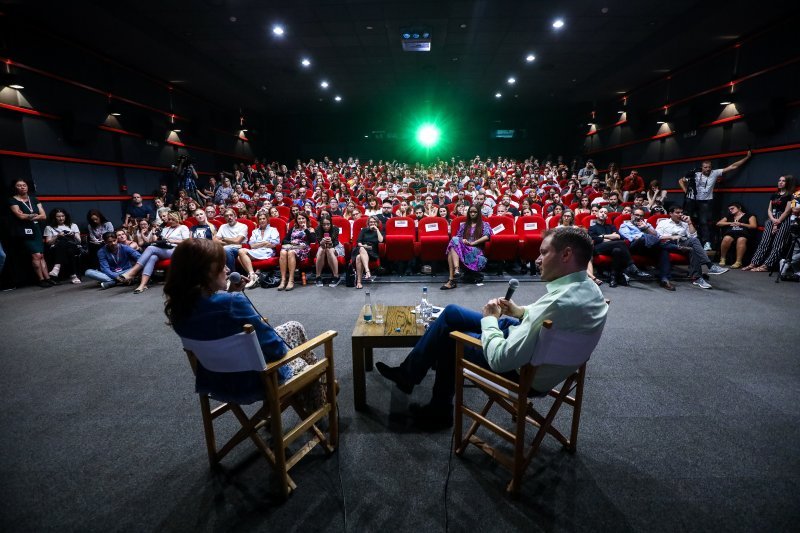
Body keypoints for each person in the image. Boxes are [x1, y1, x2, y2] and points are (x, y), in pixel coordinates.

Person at [376, 227, 608, 427]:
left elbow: (500, 359)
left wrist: (489, 319)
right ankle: (409, 373)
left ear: (566, 254)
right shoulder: (590, 290)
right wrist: (520, 312)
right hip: (538, 347)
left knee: (449, 337)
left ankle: (438, 412)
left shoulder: (558, 303)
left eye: (544, 253)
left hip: (525, 373)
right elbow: (545, 319)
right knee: (452, 313)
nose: (537, 260)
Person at [164, 238, 323, 408]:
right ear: (205, 272)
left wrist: (231, 293)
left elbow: (217, 328)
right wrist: (234, 298)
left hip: (216, 381)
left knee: (294, 327)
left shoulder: (178, 309)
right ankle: (318, 397)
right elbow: (276, 349)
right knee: (306, 362)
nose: (227, 270)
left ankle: (300, 399)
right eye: (221, 265)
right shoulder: (233, 303)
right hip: (255, 381)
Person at [678, 150, 752, 250]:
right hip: (692, 200)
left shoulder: (715, 173)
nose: (707, 169)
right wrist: (687, 192)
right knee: (686, 219)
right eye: (705, 167)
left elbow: (733, 166)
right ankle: (683, 239)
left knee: (704, 222)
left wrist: (747, 157)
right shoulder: (696, 174)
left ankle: (706, 243)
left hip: (705, 201)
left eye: (709, 167)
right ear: (702, 167)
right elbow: (681, 181)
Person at [656, 206, 728, 289]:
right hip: (668, 244)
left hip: (682, 243)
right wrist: (671, 237)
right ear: (671, 213)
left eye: (681, 212)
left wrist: (689, 223)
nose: (680, 214)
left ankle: (698, 278)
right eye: (677, 212)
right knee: (693, 247)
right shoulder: (663, 223)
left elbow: (693, 236)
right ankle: (709, 266)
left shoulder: (685, 223)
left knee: (694, 244)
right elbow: (657, 236)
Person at [116, 211, 189, 294]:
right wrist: (155, 233)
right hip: (164, 249)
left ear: (177, 219)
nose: (170, 221)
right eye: (169, 219)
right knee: (152, 257)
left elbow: (187, 241)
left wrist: (173, 240)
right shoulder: (165, 229)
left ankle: (132, 272)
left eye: (173, 219)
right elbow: (156, 240)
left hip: (176, 250)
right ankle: (142, 285)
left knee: (150, 248)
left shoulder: (183, 227)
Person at [588, 207, 652, 287]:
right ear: (597, 215)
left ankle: (613, 278)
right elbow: (595, 239)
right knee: (620, 243)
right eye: (601, 212)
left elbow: (618, 236)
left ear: (607, 216)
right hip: (598, 248)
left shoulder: (611, 227)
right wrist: (611, 237)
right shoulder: (592, 228)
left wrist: (603, 236)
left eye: (605, 212)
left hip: (612, 248)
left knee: (617, 250)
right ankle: (632, 267)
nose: (603, 213)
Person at [743, 175, 795, 272]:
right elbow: (769, 209)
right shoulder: (774, 195)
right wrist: (772, 219)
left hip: (784, 220)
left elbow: (788, 211)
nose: (780, 182)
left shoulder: (791, 195)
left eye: (783, 181)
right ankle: (754, 262)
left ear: (788, 183)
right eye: (779, 180)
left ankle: (766, 265)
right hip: (772, 219)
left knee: (777, 244)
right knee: (764, 242)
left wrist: (777, 222)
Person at [8, 179, 53, 287]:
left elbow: (43, 216)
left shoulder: (34, 199)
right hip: (25, 230)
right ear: (15, 188)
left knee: (41, 255)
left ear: (27, 187)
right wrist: (32, 215)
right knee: (36, 255)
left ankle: (48, 278)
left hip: (36, 228)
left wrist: (28, 215)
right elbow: (19, 216)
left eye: (24, 185)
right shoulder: (12, 200)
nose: (22, 187)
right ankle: (41, 279)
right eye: (19, 185)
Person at [619, 208, 675, 291]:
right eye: (637, 215)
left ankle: (664, 279)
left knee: (663, 251)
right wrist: (643, 236)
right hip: (635, 247)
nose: (639, 217)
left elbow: (657, 236)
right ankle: (674, 247)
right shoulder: (625, 225)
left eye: (641, 216)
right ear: (632, 215)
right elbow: (629, 237)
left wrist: (646, 228)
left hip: (650, 248)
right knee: (643, 238)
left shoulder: (647, 224)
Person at [442, 205, 492, 290]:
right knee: (454, 242)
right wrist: (463, 240)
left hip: (476, 249)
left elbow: (487, 236)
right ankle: (456, 271)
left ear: (478, 213)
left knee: (452, 246)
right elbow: (458, 237)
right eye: (471, 212)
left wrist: (473, 243)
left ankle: (452, 280)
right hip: (464, 247)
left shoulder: (484, 224)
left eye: (475, 212)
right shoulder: (464, 225)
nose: (472, 214)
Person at [239, 212, 281, 289]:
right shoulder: (255, 231)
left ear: (267, 220)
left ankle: (252, 276)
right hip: (256, 251)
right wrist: (265, 243)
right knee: (240, 256)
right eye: (260, 219)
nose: (262, 220)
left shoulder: (273, 230)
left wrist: (258, 244)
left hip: (268, 251)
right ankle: (253, 275)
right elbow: (251, 245)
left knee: (241, 252)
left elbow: (274, 244)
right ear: (258, 221)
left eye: (263, 219)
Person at [43, 208, 82, 284]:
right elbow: (48, 243)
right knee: (64, 245)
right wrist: (57, 236)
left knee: (65, 243)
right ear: (54, 217)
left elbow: (79, 241)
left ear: (66, 216)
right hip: (56, 249)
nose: (61, 218)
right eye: (58, 216)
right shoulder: (49, 227)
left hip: (73, 246)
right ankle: (74, 275)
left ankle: (56, 267)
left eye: (63, 216)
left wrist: (73, 235)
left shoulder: (73, 225)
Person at [277, 213, 315, 291]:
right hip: (292, 246)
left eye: (303, 218)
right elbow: (284, 240)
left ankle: (291, 280)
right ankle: (283, 280)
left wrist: (305, 230)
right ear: (296, 220)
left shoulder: (310, 229)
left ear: (306, 219)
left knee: (291, 252)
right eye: (299, 219)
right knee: (283, 252)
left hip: (303, 249)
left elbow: (313, 240)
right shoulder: (293, 228)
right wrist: (291, 243)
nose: (301, 220)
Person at [716, 203, 757, 269]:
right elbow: (718, 223)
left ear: (739, 208)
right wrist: (731, 223)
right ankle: (723, 258)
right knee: (726, 238)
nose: (730, 210)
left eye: (732, 208)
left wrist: (741, 224)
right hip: (731, 233)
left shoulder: (749, 215)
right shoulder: (729, 216)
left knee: (741, 239)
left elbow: (753, 226)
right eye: (729, 209)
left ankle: (738, 262)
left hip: (743, 233)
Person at [353, 215, 383, 290]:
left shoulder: (378, 231)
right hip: (361, 248)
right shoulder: (364, 230)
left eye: (374, 222)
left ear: (377, 223)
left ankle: (359, 282)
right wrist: (364, 246)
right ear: (368, 223)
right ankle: (367, 271)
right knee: (362, 249)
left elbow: (381, 240)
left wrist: (377, 230)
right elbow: (358, 242)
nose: (372, 223)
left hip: (372, 251)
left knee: (359, 257)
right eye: (371, 222)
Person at [313, 216, 344, 287]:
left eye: (328, 224)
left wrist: (330, 243)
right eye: (324, 225)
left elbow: (335, 242)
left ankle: (336, 276)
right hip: (322, 246)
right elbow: (319, 242)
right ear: (321, 224)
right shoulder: (317, 229)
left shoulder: (335, 228)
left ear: (331, 223)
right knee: (322, 250)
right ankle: (318, 276)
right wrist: (322, 242)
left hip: (335, 246)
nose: (326, 226)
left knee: (329, 250)